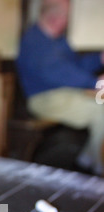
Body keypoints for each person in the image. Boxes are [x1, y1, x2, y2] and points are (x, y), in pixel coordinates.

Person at [17, 0, 104, 176]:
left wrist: (99, 58)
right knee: (99, 108)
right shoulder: (34, 40)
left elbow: (75, 66)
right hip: (43, 99)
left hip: (66, 94)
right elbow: (57, 72)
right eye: (66, 15)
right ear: (54, 16)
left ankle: (88, 159)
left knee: (101, 102)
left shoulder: (58, 40)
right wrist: (95, 83)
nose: (66, 20)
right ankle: (96, 167)